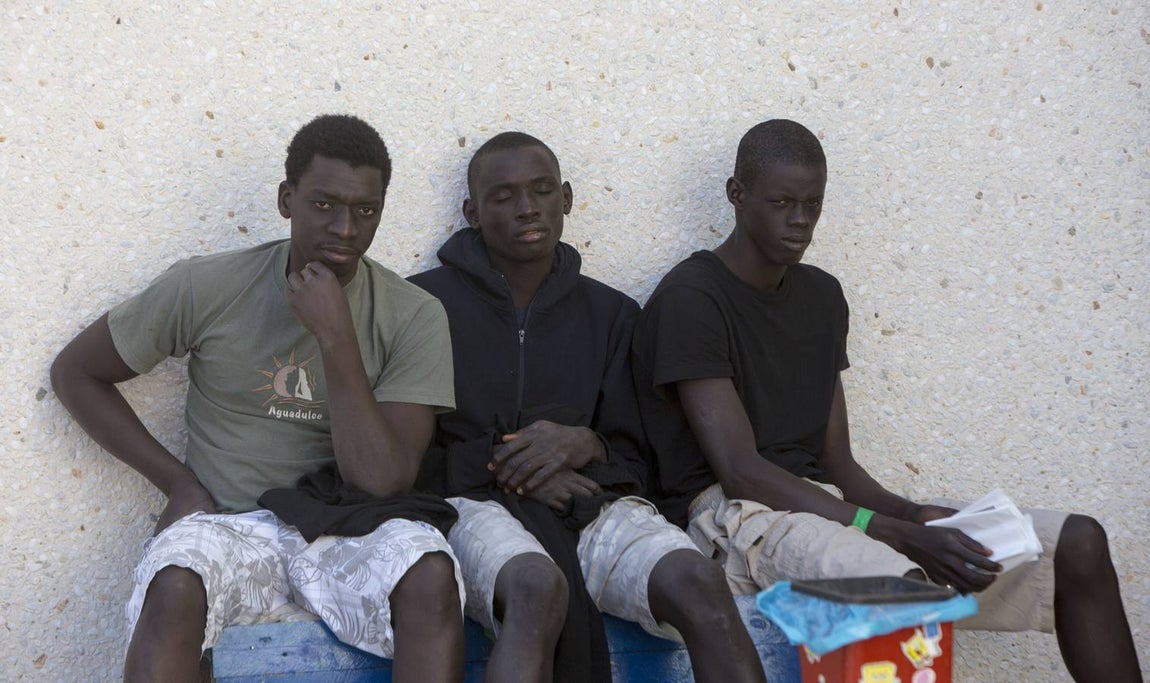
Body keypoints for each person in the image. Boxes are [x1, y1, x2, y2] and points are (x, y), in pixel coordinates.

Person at [631, 118, 1143, 682]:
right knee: (896, 580)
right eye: (781, 202)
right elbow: (741, 473)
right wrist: (897, 532)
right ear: (737, 194)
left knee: (1077, 543)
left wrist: (912, 513)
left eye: (813, 204)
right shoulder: (691, 298)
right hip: (736, 519)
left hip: (830, 508)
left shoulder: (822, 297)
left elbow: (840, 465)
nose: (799, 221)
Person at [51, 114, 465, 683]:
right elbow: (76, 372)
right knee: (173, 584)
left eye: (365, 211)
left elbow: (381, 482)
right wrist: (177, 482)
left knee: (430, 571)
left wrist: (336, 338)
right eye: (324, 204)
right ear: (285, 199)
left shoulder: (414, 314)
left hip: (349, 524)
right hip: (229, 523)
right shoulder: (209, 285)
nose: (345, 227)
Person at [408, 132, 766, 683]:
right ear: (472, 213)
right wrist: (510, 469)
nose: (527, 207)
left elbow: (647, 460)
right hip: (471, 506)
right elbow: (401, 462)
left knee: (700, 582)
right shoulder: (421, 308)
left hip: (588, 504)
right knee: (535, 587)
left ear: (567, 198)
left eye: (542, 190)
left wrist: (587, 444)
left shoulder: (614, 315)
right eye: (503, 196)